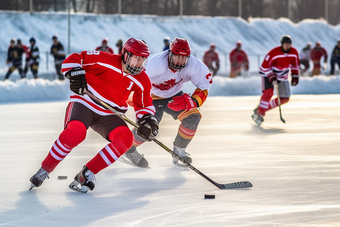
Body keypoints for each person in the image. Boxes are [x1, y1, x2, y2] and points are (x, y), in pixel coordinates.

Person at [29, 38, 158, 193]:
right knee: (76, 132)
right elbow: (76, 58)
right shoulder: (105, 60)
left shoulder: (142, 80)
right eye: (135, 58)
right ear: (125, 54)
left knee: (126, 139)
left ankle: (87, 173)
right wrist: (75, 73)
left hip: (110, 113)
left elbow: (144, 105)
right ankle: (45, 169)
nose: (138, 63)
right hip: (85, 102)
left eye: (142, 60)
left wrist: (148, 121)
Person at [124, 37, 213, 168]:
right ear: (169, 53)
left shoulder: (195, 66)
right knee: (149, 127)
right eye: (177, 57)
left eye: (184, 58)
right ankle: (128, 147)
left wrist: (193, 101)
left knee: (193, 117)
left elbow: (204, 86)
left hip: (175, 95)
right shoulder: (154, 63)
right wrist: (131, 97)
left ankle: (179, 150)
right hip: (151, 95)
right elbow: (134, 79)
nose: (180, 62)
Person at [251, 35, 300, 126]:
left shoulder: (294, 52)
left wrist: (295, 76)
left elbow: (295, 64)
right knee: (268, 93)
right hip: (268, 74)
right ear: (282, 44)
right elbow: (264, 67)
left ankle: (261, 108)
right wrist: (271, 76)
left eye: (289, 44)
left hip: (282, 76)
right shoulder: (274, 52)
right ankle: (260, 114)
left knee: (284, 99)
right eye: (285, 44)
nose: (287, 46)